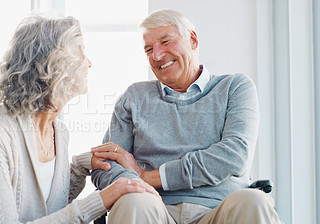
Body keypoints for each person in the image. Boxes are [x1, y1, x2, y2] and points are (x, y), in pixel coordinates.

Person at [0, 15, 166, 224]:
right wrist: (99, 201)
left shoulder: (58, 131)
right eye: (82, 53)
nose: (89, 63)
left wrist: (81, 166)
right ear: (56, 64)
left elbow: (51, 208)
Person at [91, 9, 282, 224]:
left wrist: (151, 177)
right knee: (133, 202)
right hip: (155, 208)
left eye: (165, 42)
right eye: (148, 49)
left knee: (254, 201)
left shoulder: (234, 87)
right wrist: (136, 183)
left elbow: (233, 157)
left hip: (220, 208)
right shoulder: (134, 97)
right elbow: (104, 168)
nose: (157, 55)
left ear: (192, 40)